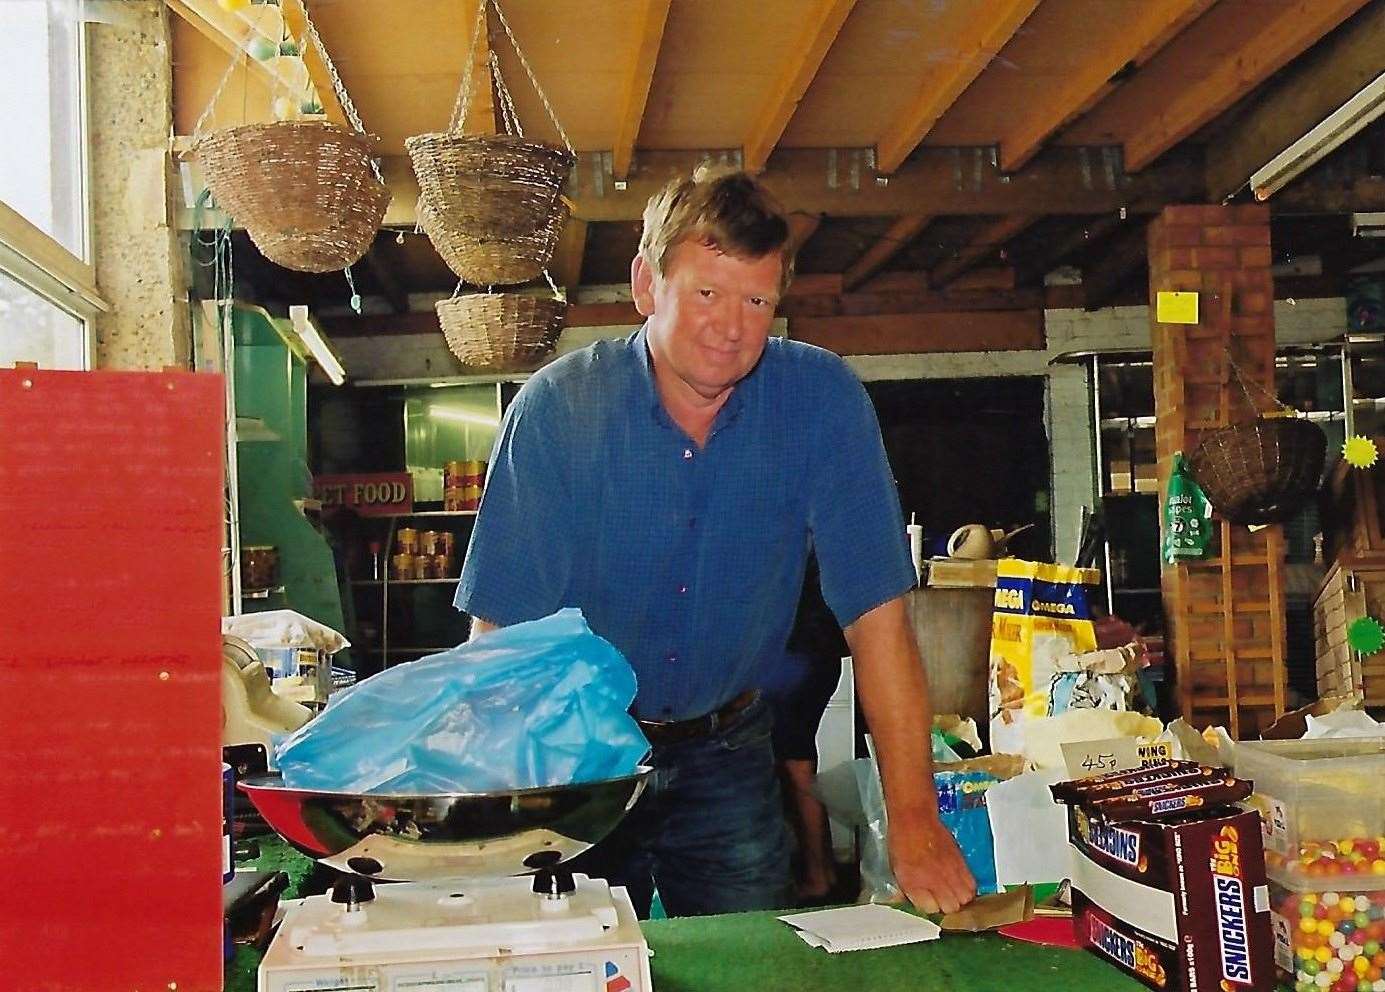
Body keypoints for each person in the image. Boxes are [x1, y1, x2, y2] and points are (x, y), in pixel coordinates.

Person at [454, 165, 975, 918]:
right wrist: (488, 822)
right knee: (575, 959)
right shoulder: (557, 409)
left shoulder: (821, 402)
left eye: (756, 300)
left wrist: (915, 821)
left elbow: (878, 620)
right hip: (581, 756)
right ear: (646, 284)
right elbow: (497, 641)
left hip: (728, 747)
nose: (730, 327)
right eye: (706, 292)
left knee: (748, 965)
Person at [764, 555, 848, 904]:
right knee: (798, 760)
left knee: (793, 763)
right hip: (818, 652)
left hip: (795, 651)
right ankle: (823, 871)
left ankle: (817, 876)